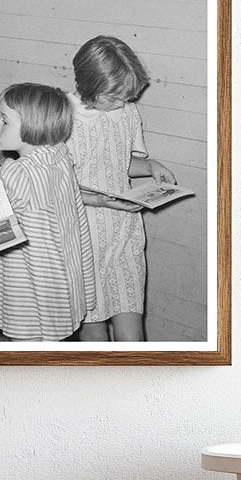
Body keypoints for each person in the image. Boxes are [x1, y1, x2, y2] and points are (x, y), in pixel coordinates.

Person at [67, 35, 176, 342]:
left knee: (131, 325)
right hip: (83, 232)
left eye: (125, 99)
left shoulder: (125, 112)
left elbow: (120, 162)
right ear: (88, 85)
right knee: (93, 327)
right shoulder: (62, 116)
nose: (121, 105)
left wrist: (151, 166)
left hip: (124, 230)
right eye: (112, 99)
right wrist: (102, 201)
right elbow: (55, 183)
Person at [0, 84, 94, 341]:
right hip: (60, 287)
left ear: (32, 127)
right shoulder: (60, 158)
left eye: (4, 121)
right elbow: (77, 223)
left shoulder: (16, 172)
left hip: (29, 290)